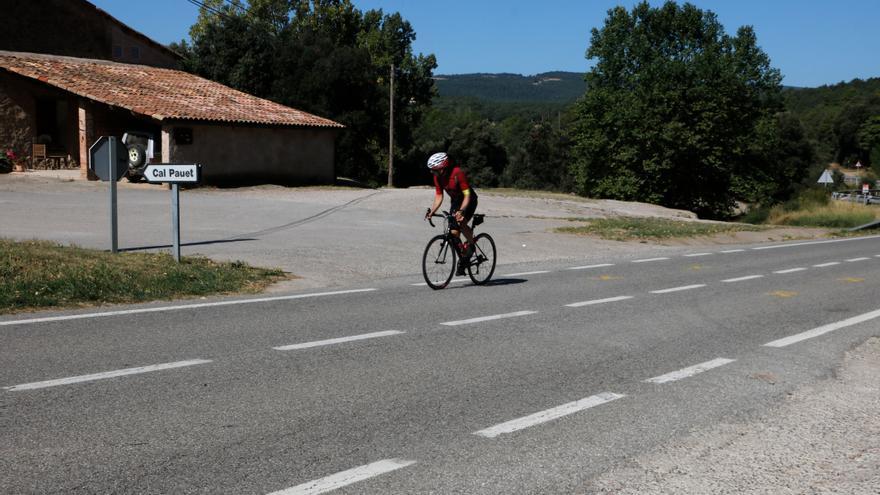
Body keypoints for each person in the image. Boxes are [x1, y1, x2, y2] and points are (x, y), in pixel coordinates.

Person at [424, 152, 479, 276]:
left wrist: (462, 211)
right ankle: (464, 257)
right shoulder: (437, 177)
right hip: (455, 201)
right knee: (454, 233)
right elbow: (439, 195)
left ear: (443, 168)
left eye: (434, 170)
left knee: (461, 222)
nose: (432, 172)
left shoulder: (457, 173)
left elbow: (467, 194)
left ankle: (471, 245)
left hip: (469, 200)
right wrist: (433, 211)